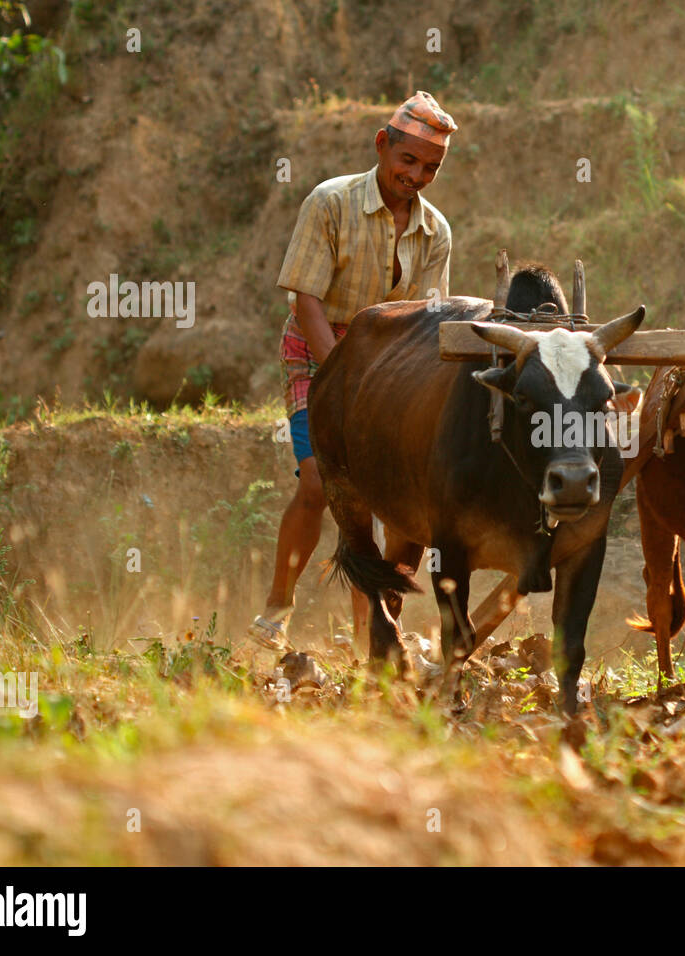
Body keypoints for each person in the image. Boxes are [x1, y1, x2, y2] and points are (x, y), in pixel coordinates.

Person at [248, 91, 458, 649]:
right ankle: (278, 606)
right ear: (381, 146)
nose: (416, 175)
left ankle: (374, 630)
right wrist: (346, 376)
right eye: (407, 160)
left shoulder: (436, 232)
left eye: (430, 167)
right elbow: (306, 301)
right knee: (321, 483)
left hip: (389, 363)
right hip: (322, 349)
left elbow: (427, 322)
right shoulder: (330, 203)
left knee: (395, 497)